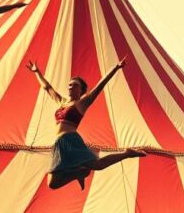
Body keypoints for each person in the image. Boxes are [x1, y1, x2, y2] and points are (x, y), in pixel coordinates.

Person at [26, 59, 145, 190]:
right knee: (52, 184)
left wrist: (116, 68)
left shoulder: (82, 103)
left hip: (70, 139)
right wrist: (36, 72)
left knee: (98, 165)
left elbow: (100, 85)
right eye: (69, 85)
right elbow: (47, 87)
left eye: (75, 85)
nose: (71, 87)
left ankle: (126, 153)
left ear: (81, 90)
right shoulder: (62, 102)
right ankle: (78, 173)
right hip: (58, 142)